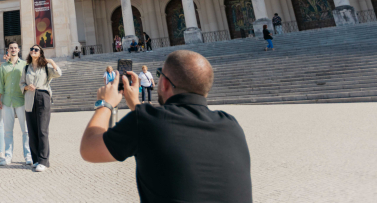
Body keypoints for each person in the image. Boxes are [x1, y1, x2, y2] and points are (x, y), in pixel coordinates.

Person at [80, 50, 252, 203]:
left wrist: (106, 104)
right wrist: (137, 106)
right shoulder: (232, 125)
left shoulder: (145, 122)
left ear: (164, 84)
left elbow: (89, 148)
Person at [21, 45, 61, 172]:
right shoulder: (26, 67)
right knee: (32, 130)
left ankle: (44, 160)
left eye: (36, 49)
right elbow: (21, 83)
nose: (33, 50)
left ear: (40, 53)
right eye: (32, 49)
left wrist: (51, 61)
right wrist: (27, 87)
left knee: (42, 129)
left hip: (43, 96)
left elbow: (58, 73)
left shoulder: (45, 67)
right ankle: (36, 159)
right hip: (29, 98)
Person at [0, 42, 33, 166]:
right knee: (8, 131)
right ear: (8, 50)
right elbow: (0, 84)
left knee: (26, 130)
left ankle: (28, 156)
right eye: (11, 48)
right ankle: (8, 156)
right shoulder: (3, 66)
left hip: (21, 100)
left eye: (15, 48)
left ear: (18, 50)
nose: (13, 50)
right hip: (7, 101)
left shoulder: (25, 64)